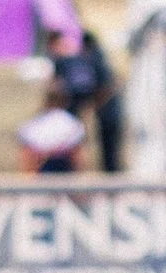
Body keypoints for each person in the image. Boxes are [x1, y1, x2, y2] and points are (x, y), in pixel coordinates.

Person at [79, 29, 123, 173]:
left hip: (108, 113)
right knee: (110, 150)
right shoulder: (101, 58)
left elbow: (107, 87)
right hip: (110, 112)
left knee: (109, 150)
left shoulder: (95, 60)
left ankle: (113, 180)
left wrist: (94, 104)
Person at [15, 87, 88, 174]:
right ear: (66, 102)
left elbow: (26, 140)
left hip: (49, 163)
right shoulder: (73, 123)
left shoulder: (34, 123)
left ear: (46, 102)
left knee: (28, 151)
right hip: (55, 163)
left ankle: (28, 179)